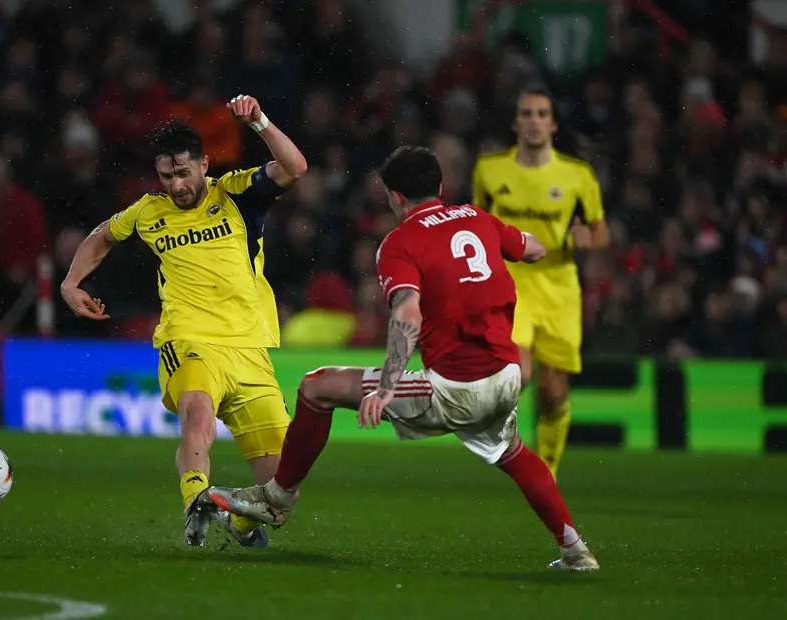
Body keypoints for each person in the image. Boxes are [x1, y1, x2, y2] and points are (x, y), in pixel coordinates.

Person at [205, 146, 600, 571]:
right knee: (512, 452)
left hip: (454, 387)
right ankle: (576, 552)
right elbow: (535, 249)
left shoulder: (401, 243)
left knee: (317, 386)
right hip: (506, 376)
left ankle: (276, 498)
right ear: (440, 186)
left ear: (394, 197)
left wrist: (387, 387)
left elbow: (408, 312)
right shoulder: (478, 218)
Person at [60, 95, 307, 547]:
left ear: (204, 164)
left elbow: (295, 167)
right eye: (166, 176)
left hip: (249, 348)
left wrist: (260, 122)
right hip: (189, 339)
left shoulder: (236, 193)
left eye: (183, 173)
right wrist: (71, 283)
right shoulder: (148, 211)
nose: (176, 185)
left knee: (284, 489)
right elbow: (102, 236)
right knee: (198, 414)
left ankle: (238, 518)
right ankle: (196, 499)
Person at [471, 85, 609, 480]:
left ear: (554, 125)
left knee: (553, 394)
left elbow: (600, 231)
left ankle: (546, 470)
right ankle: (507, 451)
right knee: (520, 373)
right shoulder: (490, 170)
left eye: (541, 114)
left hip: (559, 284)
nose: (534, 121)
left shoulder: (577, 176)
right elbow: (477, 222)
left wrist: (586, 239)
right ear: (515, 123)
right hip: (511, 279)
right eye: (526, 114)